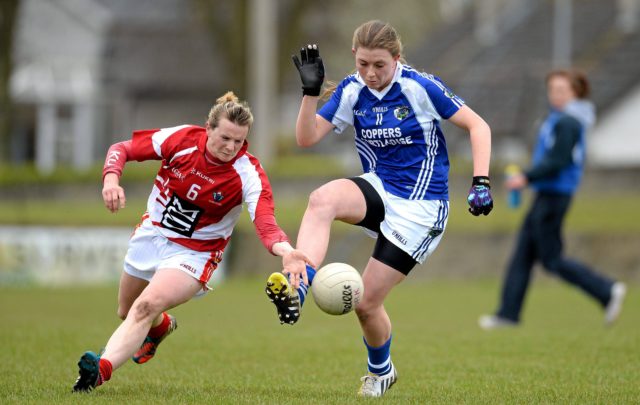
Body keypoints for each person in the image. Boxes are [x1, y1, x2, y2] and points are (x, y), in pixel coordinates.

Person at [265, 20, 493, 398]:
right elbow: (306, 139)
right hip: (380, 187)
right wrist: (309, 93)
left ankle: (381, 371)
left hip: (421, 207)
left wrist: (481, 181)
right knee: (322, 199)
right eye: (363, 64)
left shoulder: (420, 87)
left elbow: (478, 126)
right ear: (355, 57)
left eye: (380, 66)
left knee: (367, 303)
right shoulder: (354, 90)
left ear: (397, 59)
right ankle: (298, 285)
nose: (370, 74)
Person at [72, 91, 311, 392]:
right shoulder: (182, 139)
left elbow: (264, 220)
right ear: (208, 128)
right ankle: (159, 328)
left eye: (239, 141)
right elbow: (122, 149)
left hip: (195, 253)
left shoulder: (248, 172)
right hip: (153, 234)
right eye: (225, 138)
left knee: (145, 306)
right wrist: (110, 180)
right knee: (127, 309)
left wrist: (285, 250)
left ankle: (100, 369)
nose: (231, 147)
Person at [479, 69, 626, 330]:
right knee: (523, 253)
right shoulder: (557, 118)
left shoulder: (569, 121)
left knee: (552, 259)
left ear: (575, 93)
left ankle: (606, 290)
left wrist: (526, 176)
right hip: (546, 194)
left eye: (561, 90)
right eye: (552, 90)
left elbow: (559, 160)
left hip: (555, 195)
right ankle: (507, 314)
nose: (555, 95)